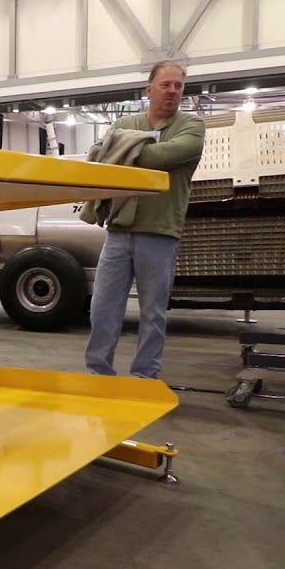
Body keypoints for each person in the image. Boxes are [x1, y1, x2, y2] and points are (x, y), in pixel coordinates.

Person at [85, 60, 206, 379]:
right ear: (149, 89)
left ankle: (144, 375)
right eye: (166, 84)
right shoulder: (128, 122)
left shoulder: (191, 127)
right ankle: (99, 373)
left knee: (153, 313)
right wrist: (123, 149)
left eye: (179, 86)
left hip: (160, 232)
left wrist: (121, 150)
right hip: (119, 231)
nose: (173, 91)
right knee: (102, 308)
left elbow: (161, 157)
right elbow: (95, 157)